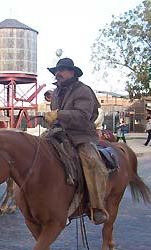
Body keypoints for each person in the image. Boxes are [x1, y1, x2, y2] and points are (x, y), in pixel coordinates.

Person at [44, 58, 109, 225]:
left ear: (73, 72)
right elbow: (56, 115)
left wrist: (59, 114)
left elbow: (83, 116)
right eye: (57, 71)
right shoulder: (56, 93)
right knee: (32, 150)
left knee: (92, 162)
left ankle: (97, 206)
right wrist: (52, 120)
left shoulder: (83, 91)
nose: (58, 73)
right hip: (58, 133)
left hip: (81, 135)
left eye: (63, 70)